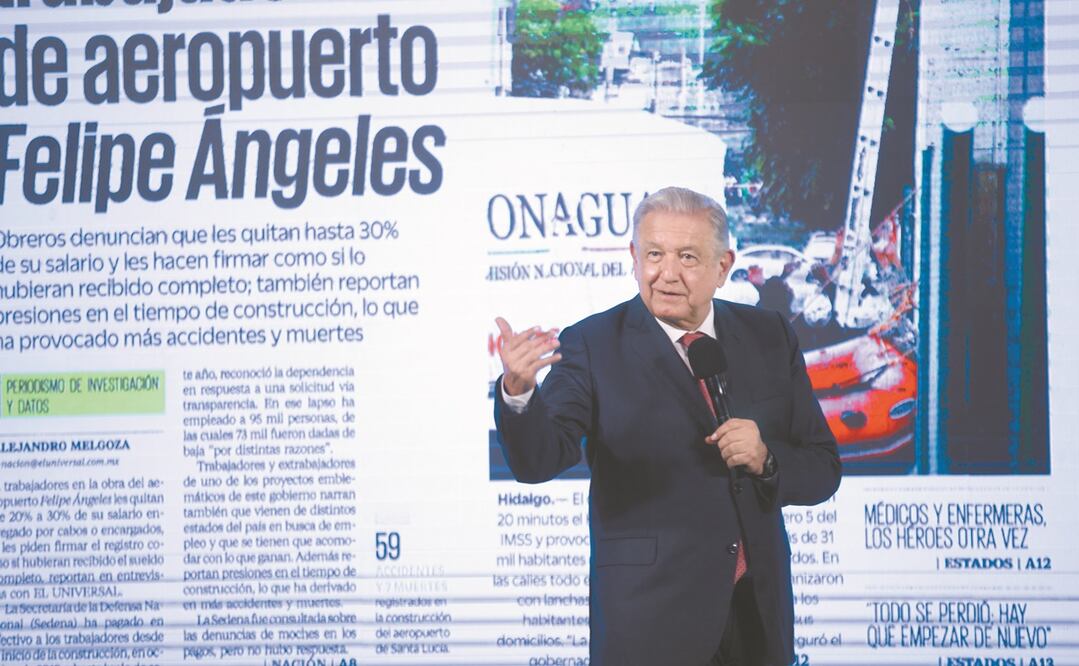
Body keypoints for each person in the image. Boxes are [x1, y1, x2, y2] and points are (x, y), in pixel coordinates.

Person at [494, 186, 841, 666]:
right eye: (654, 254)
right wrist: (518, 392)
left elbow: (823, 468)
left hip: (758, 619)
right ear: (634, 257)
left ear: (723, 266)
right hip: (649, 622)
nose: (667, 273)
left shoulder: (770, 335)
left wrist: (766, 459)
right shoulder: (593, 344)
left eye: (688, 257)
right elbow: (539, 460)